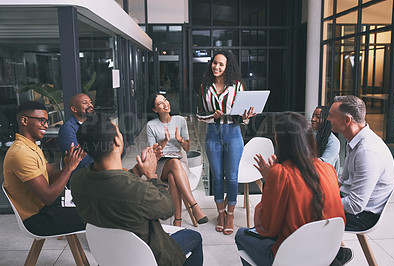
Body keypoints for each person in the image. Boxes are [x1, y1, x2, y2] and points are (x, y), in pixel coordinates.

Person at [71, 113, 203, 266]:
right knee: (194, 237)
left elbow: (112, 183)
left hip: (111, 255)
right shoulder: (138, 190)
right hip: (150, 254)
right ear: (117, 140)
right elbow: (168, 208)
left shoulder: (78, 180)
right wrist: (152, 175)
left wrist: (138, 170)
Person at [234, 112, 347, 266]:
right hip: (327, 250)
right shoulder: (328, 169)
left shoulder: (281, 173)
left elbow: (268, 227)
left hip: (293, 256)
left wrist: (270, 183)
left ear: (280, 141)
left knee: (241, 234)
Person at [3, 101, 86, 236]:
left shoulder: (32, 147)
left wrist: (69, 165)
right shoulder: (20, 153)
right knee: (96, 215)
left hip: (47, 209)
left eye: (47, 121)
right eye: (42, 121)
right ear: (24, 120)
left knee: (92, 203)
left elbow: (52, 178)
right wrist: (69, 168)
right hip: (37, 219)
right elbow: (48, 197)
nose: (46, 125)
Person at [197, 50, 256, 235]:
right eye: (215, 63)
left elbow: (242, 115)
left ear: (227, 67)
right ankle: (220, 213)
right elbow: (199, 114)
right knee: (217, 176)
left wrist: (246, 116)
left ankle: (230, 214)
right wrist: (212, 116)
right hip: (213, 134)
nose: (217, 67)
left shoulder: (237, 86)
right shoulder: (205, 86)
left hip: (233, 133)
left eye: (221, 64)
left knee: (231, 176)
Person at [328, 95, 394, 231]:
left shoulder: (367, 152)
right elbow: (343, 181)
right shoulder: (353, 140)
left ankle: (335, 252)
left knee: (303, 214)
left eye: (331, 115)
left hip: (362, 216)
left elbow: (355, 205)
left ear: (347, 120)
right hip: (351, 201)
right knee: (303, 200)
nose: (328, 119)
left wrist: (322, 204)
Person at [147, 93, 208, 227]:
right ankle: (194, 206)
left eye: (165, 100)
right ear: (155, 110)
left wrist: (179, 139)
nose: (165, 104)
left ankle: (178, 220)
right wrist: (164, 142)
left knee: (173, 176)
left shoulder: (180, 120)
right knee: (173, 163)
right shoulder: (151, 125)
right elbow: (152, 154)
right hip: (161, 164)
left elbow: (186, 148)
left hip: (180, 163)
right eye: (160, 103)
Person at [58, 93, 94, 174]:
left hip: (96, 172)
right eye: (85, 103)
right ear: (74, 109)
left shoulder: (94, 124)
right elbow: (80, 160)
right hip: (80, 177)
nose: (90, 105)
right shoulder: (68, 129)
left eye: (90, 102)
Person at [311, 105, 340, 171]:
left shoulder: (333, 141)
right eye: (313, 116)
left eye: (318, 117)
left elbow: (323, 165)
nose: (313, 119)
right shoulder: (311, 136)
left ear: (327, 119)